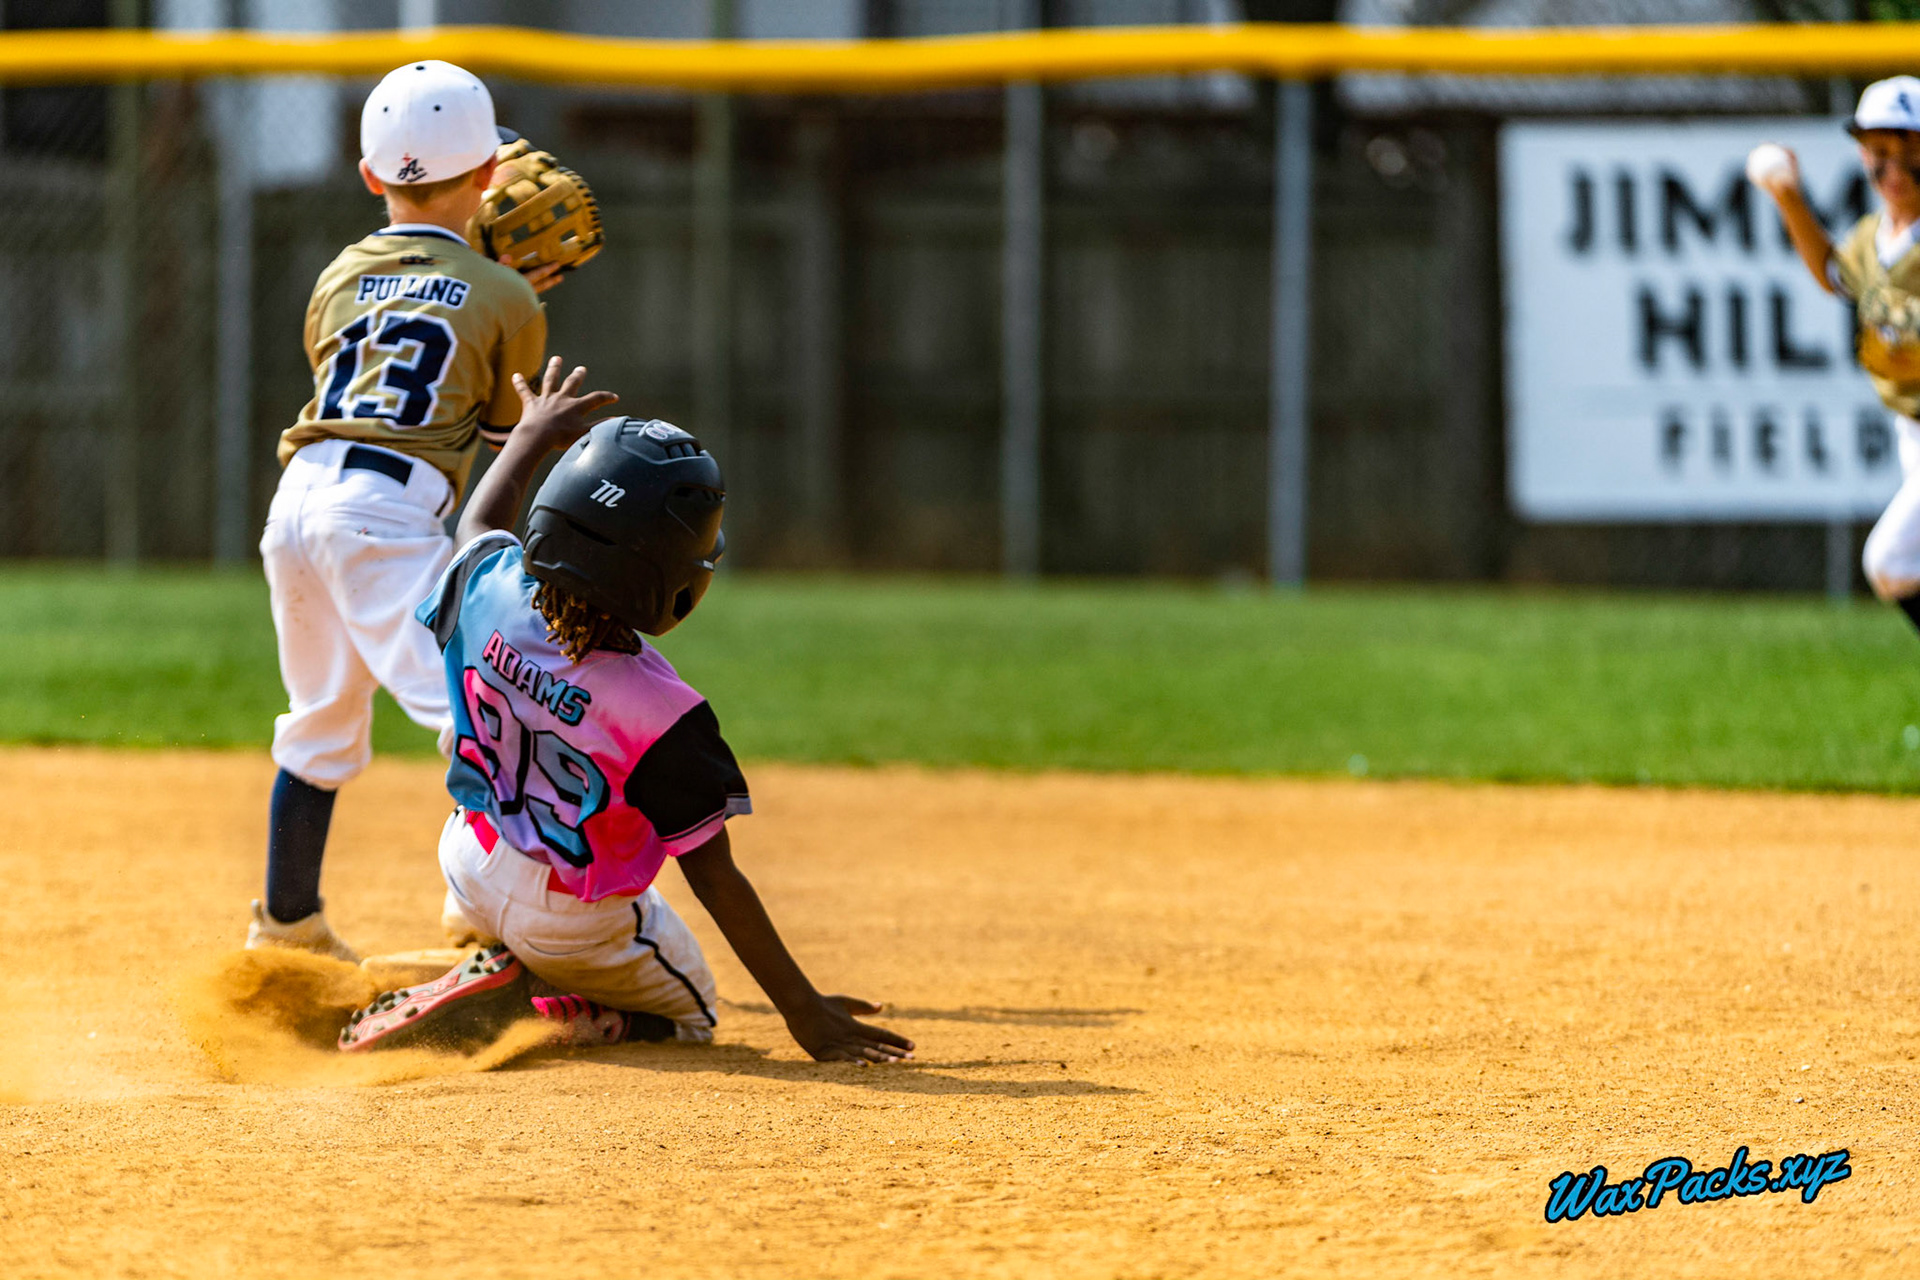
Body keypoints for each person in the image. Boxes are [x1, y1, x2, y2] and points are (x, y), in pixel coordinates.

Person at [337, 358, 915, 1065]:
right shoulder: (660, 712)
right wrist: (805, 1011)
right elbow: (714, 875)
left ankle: (486, 958)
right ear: (668, 582)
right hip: (569, 916)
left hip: (470, 858)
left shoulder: (489, 586)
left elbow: (480, 521)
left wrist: (530, 434)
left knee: (507, 893)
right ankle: (544, 1009)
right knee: (694, 1014)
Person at [248, 61, 563, 962]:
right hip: (384, 516)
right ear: (492, 174)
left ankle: (285, 925)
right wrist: (515, 294)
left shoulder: (337, 274)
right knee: (481, 710)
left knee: (320, 720)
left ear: (370, 177)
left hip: (296, 505)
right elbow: (507, 437)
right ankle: (486, 921)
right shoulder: (510, 296)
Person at [1756, 76, 1920, 623]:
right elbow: (1833, 272)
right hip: (1909, 425)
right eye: (1879, 152)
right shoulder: (1875, 238)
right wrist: (1786, 195)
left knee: (1890, 561)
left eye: (1910, 150)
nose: (1894, 168)